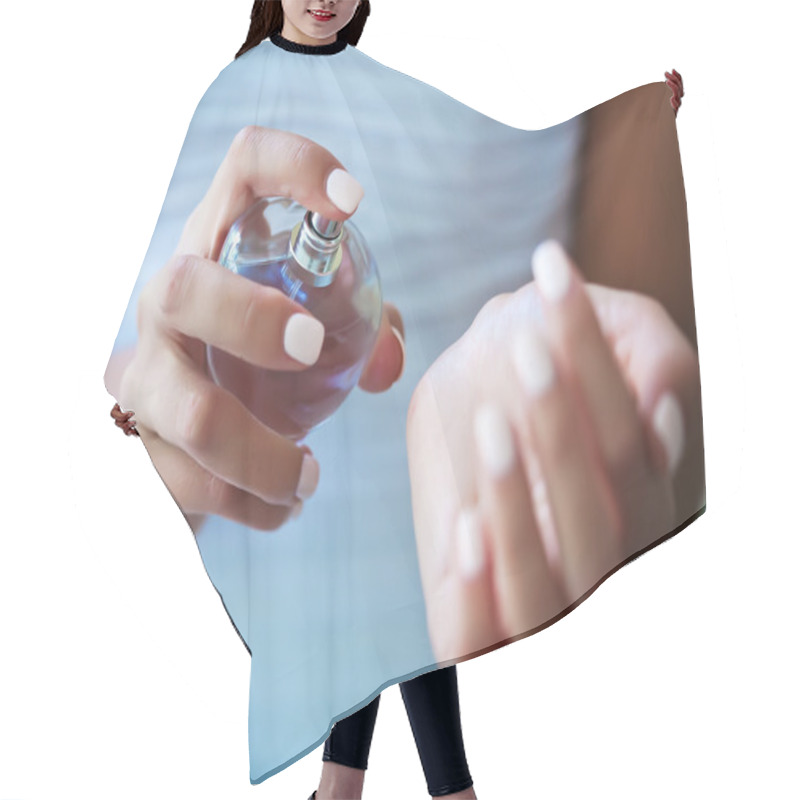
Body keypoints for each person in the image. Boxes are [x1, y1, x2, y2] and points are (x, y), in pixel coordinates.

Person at [105, 0, 694, 792]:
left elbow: (495, 154)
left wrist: (641, 120)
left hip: (388, 412)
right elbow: (172, 256)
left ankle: (366, 790)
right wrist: (146, 371)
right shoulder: (231, 94)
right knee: (378, 609)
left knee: (395, 605)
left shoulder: (383, 91)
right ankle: (423, 791)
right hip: (300, 442)